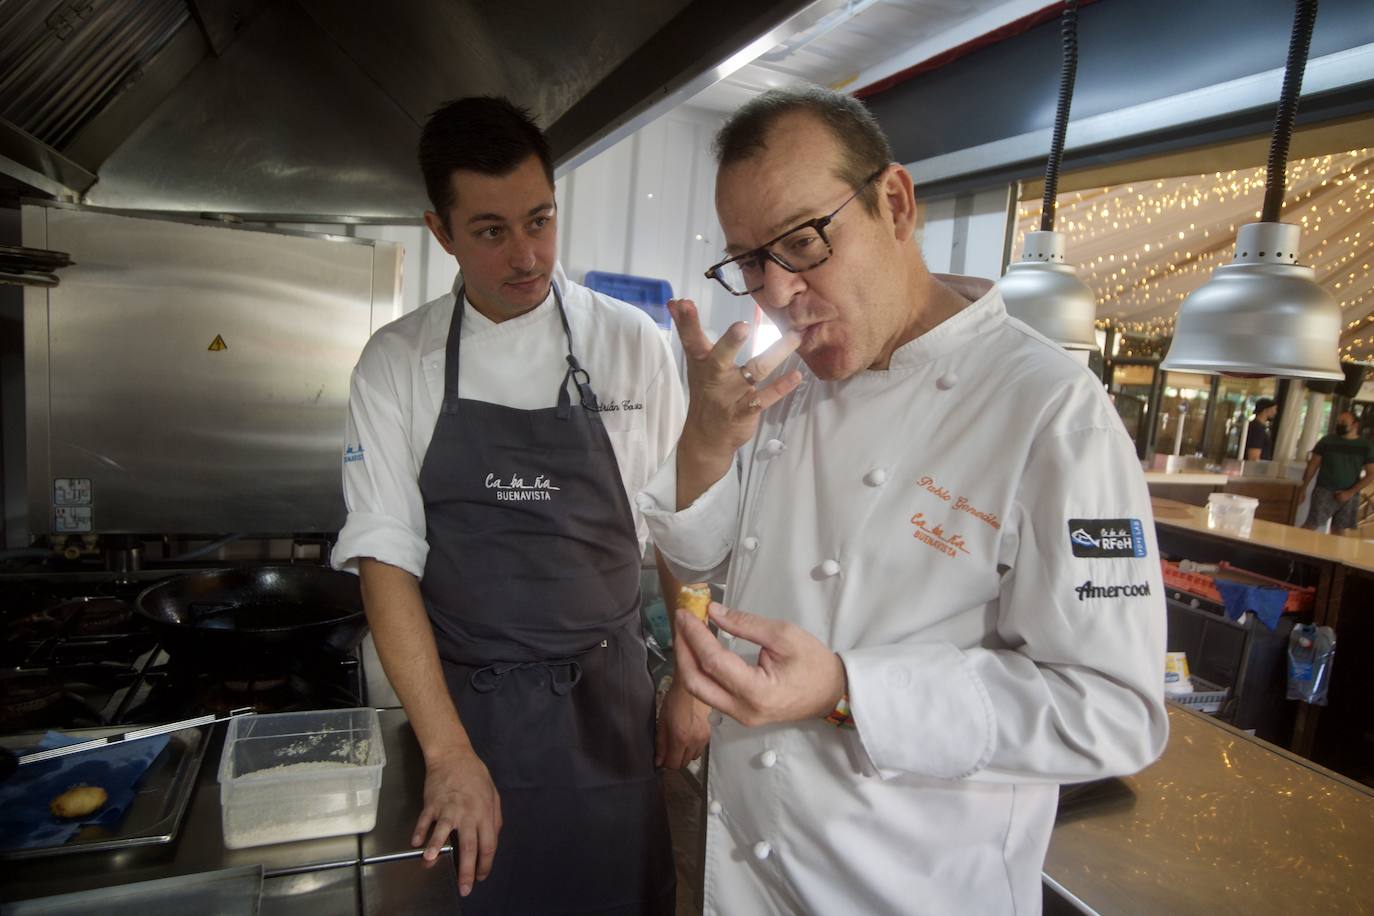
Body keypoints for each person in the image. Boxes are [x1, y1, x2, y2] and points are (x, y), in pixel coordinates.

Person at [635, 87, 1168, 914]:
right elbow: (709, 566)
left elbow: (1113, 712)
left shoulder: (1050, 410)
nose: (773, 294)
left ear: (895, 203)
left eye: (803, 242)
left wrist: (850, 690)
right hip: (749, 881)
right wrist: (704, 441)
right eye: (748, 261)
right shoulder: (794, 385)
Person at [331, 96, 705, 914]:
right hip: (469, 708)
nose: (527, 255)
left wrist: (691, 679)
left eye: (540, 220)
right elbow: (385, 559)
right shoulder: (398, 362)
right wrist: (448, 752)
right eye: (492, 231)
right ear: (442, 232)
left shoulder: (631, 344)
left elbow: (679, 526)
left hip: (611, 709)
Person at [1300, 410, 1374, 535]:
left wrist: (1350, 492)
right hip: (1324, 490)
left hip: (1350, 493)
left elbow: (1371, 474)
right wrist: (1303, 488)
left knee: (1339, 530)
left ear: (1355, 425)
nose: (1339, 424)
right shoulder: (1327, 441)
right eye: (1338, 422)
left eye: (1344, 422)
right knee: (1311, 524)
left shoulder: (1365, 446)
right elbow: (1312, 465)